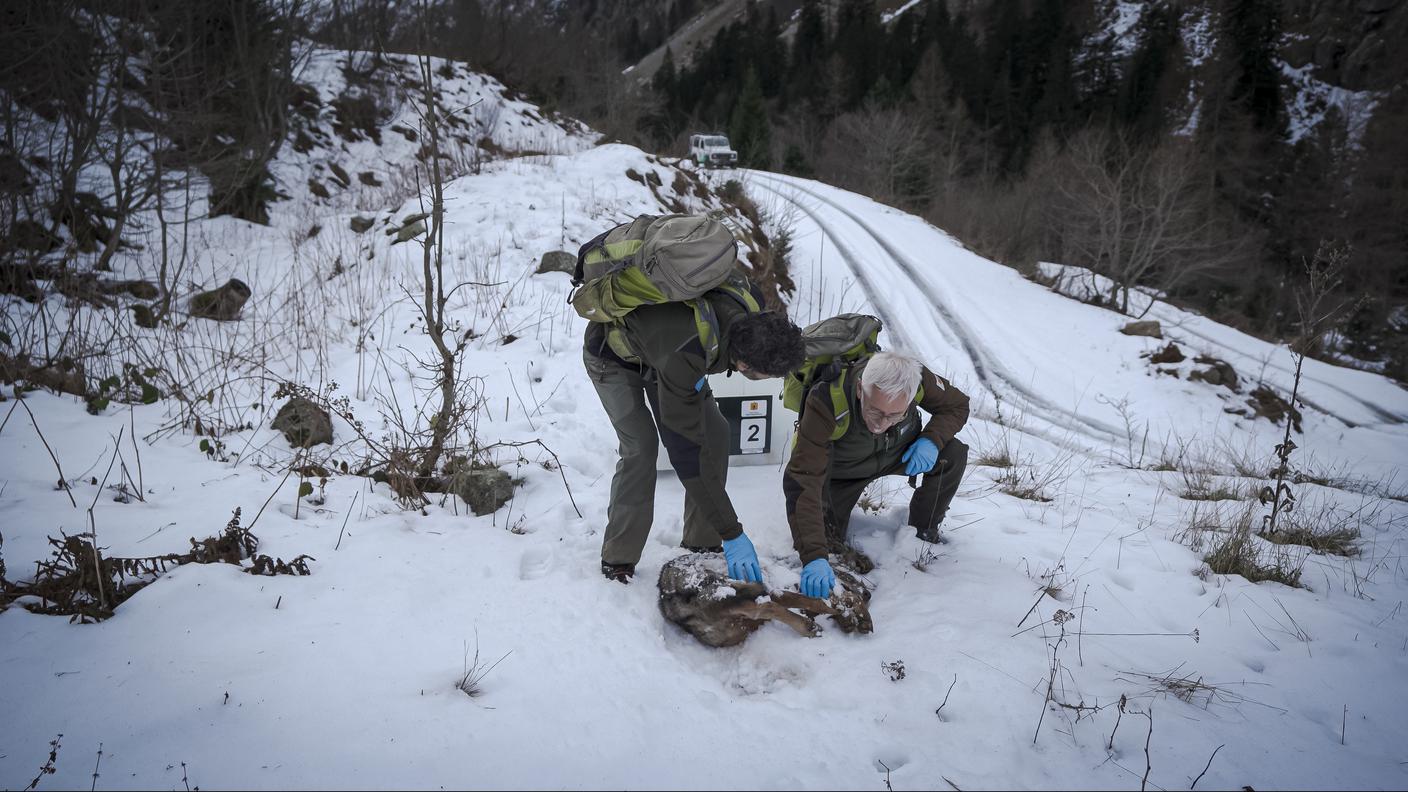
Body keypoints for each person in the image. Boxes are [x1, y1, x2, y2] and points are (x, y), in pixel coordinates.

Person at [584, 290, 805, 584]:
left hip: (662, 351)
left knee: (716, 433)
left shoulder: (750, 308)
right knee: (641, 448)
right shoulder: (686, 353)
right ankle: (619, 558)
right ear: (743, 365)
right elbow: (686, 451)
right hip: (612, 356)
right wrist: (733, 533)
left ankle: (702, 541)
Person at [783, 350, 970, 598]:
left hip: (896, 454)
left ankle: (923, 532)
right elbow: (803, 478)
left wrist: (932, 440)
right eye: (875, 411)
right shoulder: (826, 399)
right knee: (830, 546)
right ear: (861, 389)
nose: (881, 423)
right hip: (842, 471)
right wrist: (813, 556)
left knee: (952, 452)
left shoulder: (916, 378)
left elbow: (957, 405)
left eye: (894, 415)